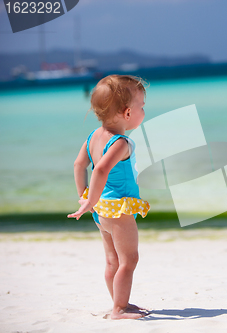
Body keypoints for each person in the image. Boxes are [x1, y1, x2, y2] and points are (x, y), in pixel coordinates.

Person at [68, 74, 151, 320]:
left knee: (112, 260)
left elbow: (78, 165)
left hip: (101, 210)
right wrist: (90, 201)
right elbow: (101, 169)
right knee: (129, 260)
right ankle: (119, 309)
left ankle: (119, 301)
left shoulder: (94, 135)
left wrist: (86, 199)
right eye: (142, 107)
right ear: (127, 113)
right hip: (118, 211)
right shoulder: (121, 143)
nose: (143, 111)